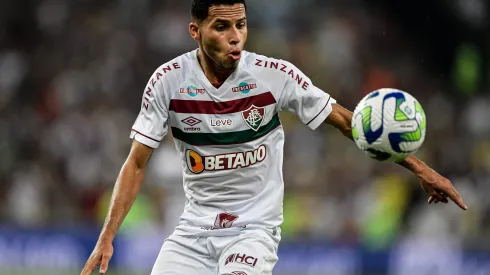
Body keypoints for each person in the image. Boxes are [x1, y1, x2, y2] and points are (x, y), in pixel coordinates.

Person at [80, 1, 467, 274]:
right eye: (222, 27)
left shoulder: (274, 75)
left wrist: (420, 168)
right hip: (193, 229)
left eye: (241, 25)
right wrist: (107, 236)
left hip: (253, 230)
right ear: (195, 31)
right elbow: (136, 162)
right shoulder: (168, 82)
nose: (236, 37)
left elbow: (350, 122)